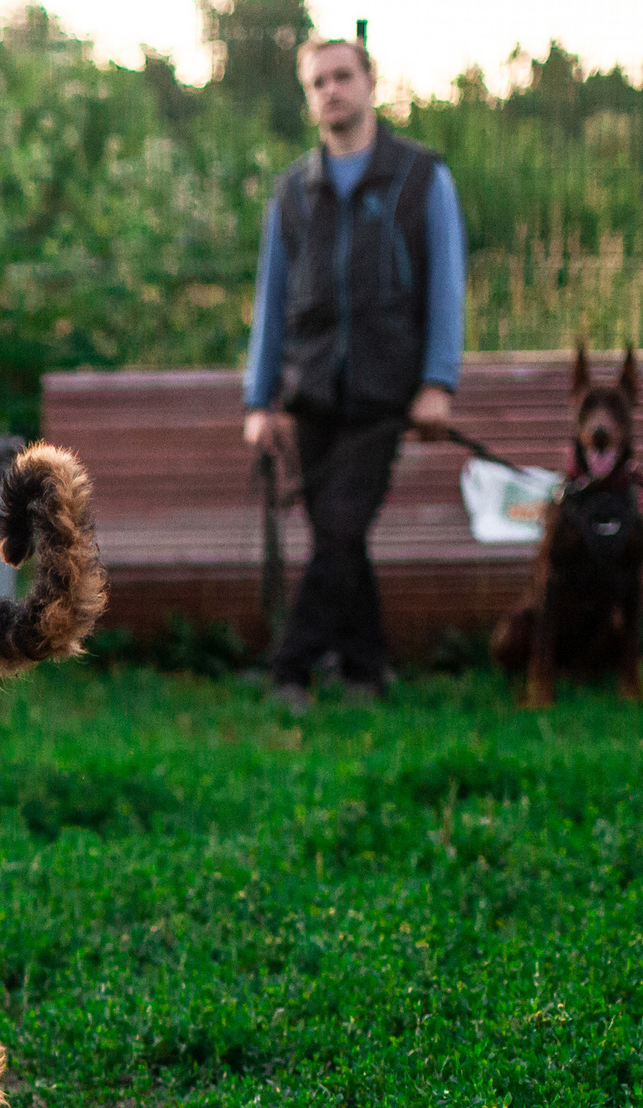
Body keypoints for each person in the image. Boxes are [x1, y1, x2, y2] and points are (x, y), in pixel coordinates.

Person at [242, 38, 467, 710]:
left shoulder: (421, 178)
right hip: (310, 394)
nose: (331, 90)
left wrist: (437, 382)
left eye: (343, 77)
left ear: (370, 83)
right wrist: (260, 399)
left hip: (384, 392)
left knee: (339, 525)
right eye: (318, 82)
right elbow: (271, 302)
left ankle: (290, 668)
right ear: (309, 96)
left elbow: (447, 288)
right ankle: (366, 670)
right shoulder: (292, 193)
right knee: (341, 535)